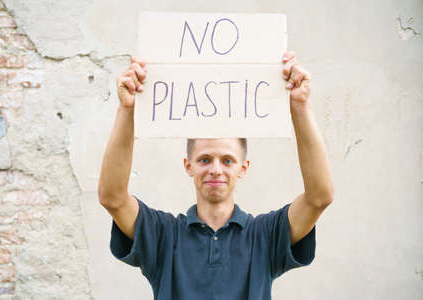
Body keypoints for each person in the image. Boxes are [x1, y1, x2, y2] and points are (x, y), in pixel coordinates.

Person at [98, 51, 334, 300]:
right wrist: (127, 109)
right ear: (188, 165)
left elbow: (319, 197)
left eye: (227, 160)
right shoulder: (163, 235)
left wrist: (300, 107)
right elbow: (112, 198)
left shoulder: (265, 235)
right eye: (204, 159)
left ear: (243, 167)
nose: (215, 169)